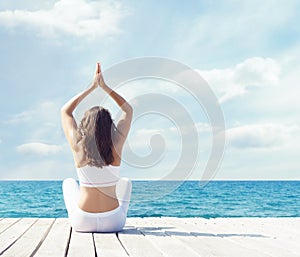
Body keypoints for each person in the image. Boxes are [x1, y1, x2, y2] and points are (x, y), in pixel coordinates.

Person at [61, 62, 133, 232]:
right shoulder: (117, 144)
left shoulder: (78, 147)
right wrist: (105, 87)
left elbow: (65, 111)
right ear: (110, 127)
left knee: (69, 183)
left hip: (82, 221)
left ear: (84, 126)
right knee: (126, 183)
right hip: (114, 221)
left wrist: (92, 87)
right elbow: (128, 110)